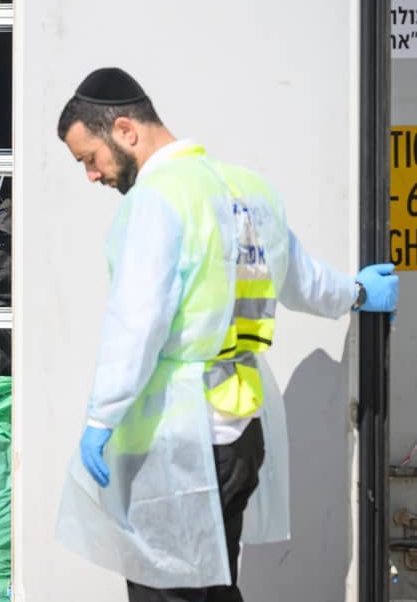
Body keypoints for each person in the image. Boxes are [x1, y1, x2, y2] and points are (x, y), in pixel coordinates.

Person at [52, 67, 398, 602]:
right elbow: (303, 280)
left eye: (88, 158)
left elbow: (136, 324)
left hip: (175, 440)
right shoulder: (249, 192)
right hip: (239, 436)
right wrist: (356, 292)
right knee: (213, 586)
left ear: (124, 129)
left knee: (169, 592)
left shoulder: (156, 200)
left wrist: (102, 417)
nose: (92, 176)